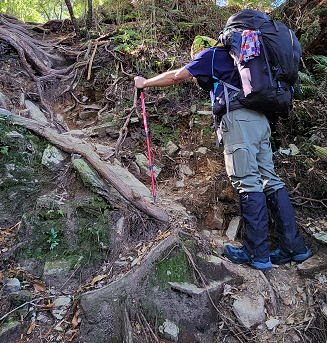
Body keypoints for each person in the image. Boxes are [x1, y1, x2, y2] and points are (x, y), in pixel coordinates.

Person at [133, 35, 310, 270]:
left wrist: (145, 83)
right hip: (262, 121)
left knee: (247, 182)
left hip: (239, 121)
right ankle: (293, 248)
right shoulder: (246, 61)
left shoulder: (211, 55)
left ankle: (256, 253)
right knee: (271, 180)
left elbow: (176, 76)